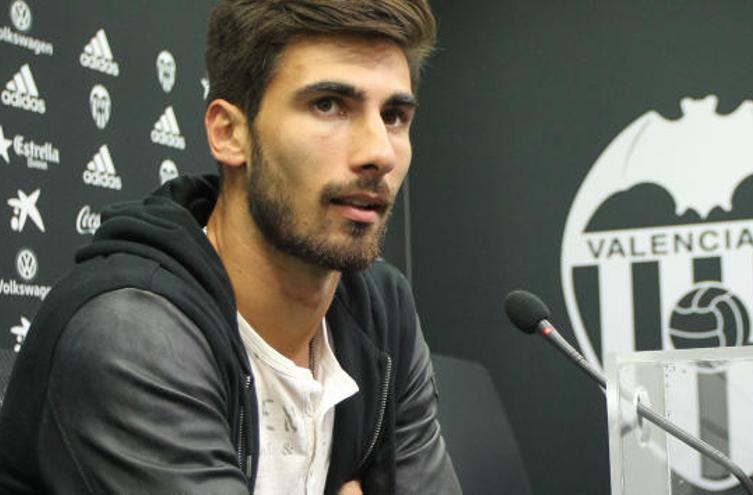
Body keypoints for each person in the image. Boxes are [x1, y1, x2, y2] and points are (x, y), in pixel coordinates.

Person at [0, 1, 461, 493]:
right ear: (229, 133)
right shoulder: (130, 332)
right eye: (329, 105)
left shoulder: (382, 311)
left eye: (394, 115)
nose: (379, 152)